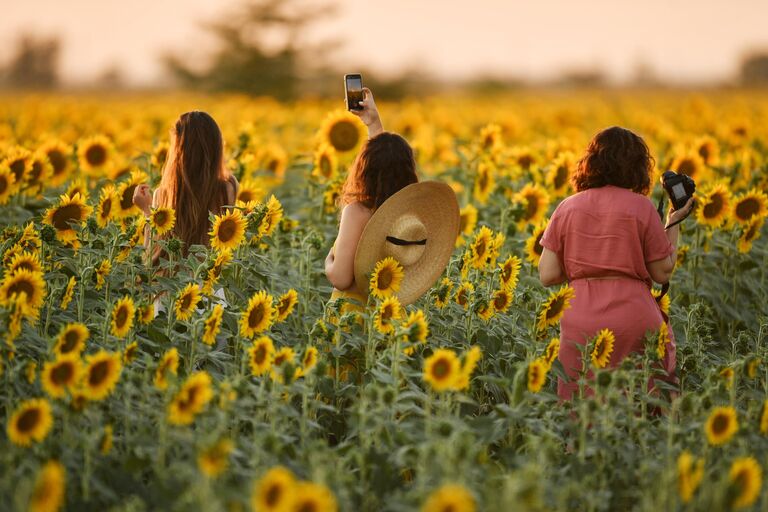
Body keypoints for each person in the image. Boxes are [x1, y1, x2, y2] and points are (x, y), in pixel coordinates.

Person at [538, 126, 694, 400]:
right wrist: (673, 222)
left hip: (581, 318)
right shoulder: (641, 207)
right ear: (637, 167)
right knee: (641, 402)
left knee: (582, 406)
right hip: (633, 318)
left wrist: (585, 263)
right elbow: (662, 272)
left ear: (591, 163)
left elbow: (548, 274)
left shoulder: (567, 207)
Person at [132, 111, 239, 314]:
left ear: (177, 151)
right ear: (216, 148)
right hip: (210, 300)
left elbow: (150, 260)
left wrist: (148, 212)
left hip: (170, 302)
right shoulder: (228, 189)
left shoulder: (164, 196)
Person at [324, 88, 419, 304]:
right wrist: (373, 123)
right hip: (389, 314)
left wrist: (328, 261)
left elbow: (341, 278)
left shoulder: (357, 212)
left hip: (353, 320)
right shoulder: (406, 214)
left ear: (364, 168)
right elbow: (388, 163)